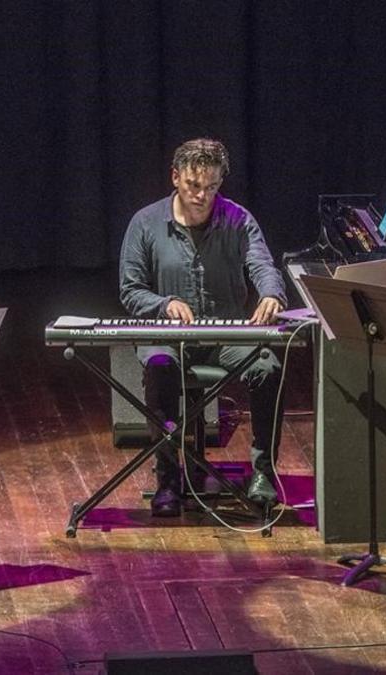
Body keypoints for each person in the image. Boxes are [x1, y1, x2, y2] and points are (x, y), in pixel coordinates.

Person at [119, 138, 287, 517]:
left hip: (223, 336)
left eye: (211, 187)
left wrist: (271, 295)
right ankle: (167, 477)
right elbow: (130, 291)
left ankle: (263, 473)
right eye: (194, 185)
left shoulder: (238, 219)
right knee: (160, 367)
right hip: (168, 337)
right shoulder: (145, 223)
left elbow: (262, 265)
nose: (202, 195)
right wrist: (164, 304)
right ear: (176, 177)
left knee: (266, 368)